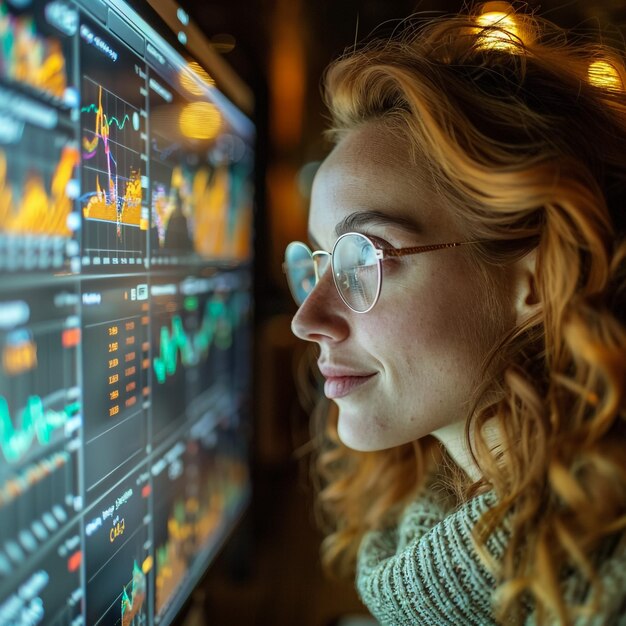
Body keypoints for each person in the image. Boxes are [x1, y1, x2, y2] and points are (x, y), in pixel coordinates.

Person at [283, 3, 626, 625]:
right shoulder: (416, 523)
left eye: (366, 258)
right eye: (316, 263)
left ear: (537, 280)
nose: (308, 318)